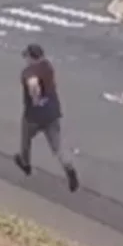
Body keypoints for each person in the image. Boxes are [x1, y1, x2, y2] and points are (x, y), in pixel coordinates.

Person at [14, 43, 79, 192]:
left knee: (26, 139)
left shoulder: (28, 72)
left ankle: (26, 164)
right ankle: (69, 168)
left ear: (31, 57)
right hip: (52, 113)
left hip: (33, 116)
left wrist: (36, 99)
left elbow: (33, 84)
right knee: (58, 146)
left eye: (27, 56)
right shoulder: (48, 67)